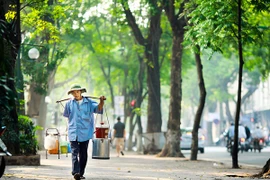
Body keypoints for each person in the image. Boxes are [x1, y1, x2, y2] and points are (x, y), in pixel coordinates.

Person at [63, 84, 106, 180]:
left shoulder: (89, 103)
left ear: (81, 92)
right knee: (74, 152)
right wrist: (68, 128)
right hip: (73, 131)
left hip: (85, 132)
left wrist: (101, 101)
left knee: (83, 153)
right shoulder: (68, 104)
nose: (75, 94)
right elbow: (67, 117)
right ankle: (76, 172)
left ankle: (80, 173)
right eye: (73, 92)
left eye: (77, 92)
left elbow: (98, 108)